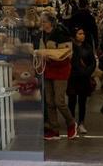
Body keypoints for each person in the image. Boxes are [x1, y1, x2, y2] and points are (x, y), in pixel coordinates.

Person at [40, 12, 78, 140]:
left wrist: (48, 56)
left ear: (51, 22)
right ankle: (54, 129)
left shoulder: (61, 33)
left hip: (61, 70)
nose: (42, 24)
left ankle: (71, 123)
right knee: (49, 101)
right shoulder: (43, 34)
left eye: (44, 21)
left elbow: (66, 54)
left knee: (59, 101)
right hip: (47, 70)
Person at [66, 27, 96, 134]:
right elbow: (71, 62)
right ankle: (71, 122)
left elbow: (93, 62)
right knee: (72, 101)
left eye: (83, 33)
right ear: (75, 35)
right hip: (73, 77)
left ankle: (81, 123)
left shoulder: (88, 47)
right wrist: (82, 71)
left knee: (82, 102)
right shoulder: (70, 47)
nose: (82, 35)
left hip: (84, 78)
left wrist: (87, 71)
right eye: (79, 33)